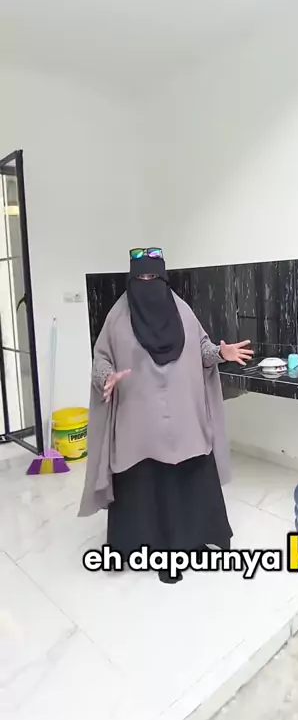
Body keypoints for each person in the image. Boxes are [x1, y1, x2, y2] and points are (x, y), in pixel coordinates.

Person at [79, 247, 253, 583]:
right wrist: (106, 377)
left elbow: (202, 350)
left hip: (184, 422)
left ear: (164, 278)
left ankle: (196, 539)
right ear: (132, 279)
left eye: (154, 276)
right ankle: (153, 552)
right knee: (147, 488)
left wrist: (221, 353)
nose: (148, 283)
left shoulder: (182, 311)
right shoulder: (118, 317)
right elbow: (102, 359)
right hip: (139, 427)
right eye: (141, 277)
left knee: (189, 480)